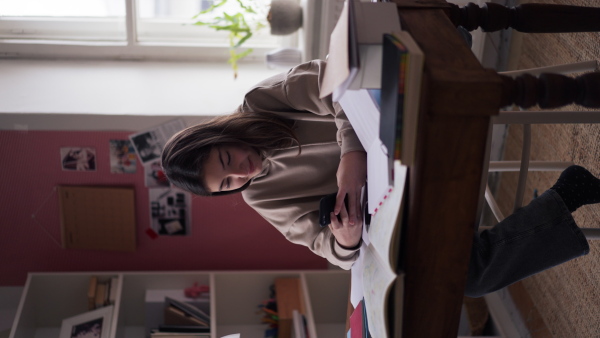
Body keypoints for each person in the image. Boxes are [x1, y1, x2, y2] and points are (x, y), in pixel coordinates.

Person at [161, 60, 598, 297]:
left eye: (226, 157)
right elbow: (327, 247)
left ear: (220, 134)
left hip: (410, 118)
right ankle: (568, 195)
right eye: (227, 184)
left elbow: (338, 81)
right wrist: (346, 237)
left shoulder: (259, 103)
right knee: (464, 279)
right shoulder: (262, 198)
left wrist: (351, 155)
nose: (241, 173)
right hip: (407, 186)